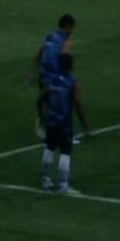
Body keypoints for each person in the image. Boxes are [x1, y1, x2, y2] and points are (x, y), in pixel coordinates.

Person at [40, 52, 88, 194]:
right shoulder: (73, 83)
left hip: (51, 121)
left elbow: (42, 97)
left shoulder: (51, 80)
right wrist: (85, 125)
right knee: (65, 152)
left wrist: (43, 116)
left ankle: (45, 180)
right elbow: (78, 105)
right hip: (64, 123)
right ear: (71, 66)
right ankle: (63, 185)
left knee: (49, 148)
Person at [31, 14, 75, 135]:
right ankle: (46, 127)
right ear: (69, 26)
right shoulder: (67, 41)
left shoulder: (50, 36)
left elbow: (39, 52)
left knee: (47, 101)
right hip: (54, 76)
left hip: (43, 73)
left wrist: (34, 71)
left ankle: (44, 126)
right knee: (56, 103)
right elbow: (64, 58)